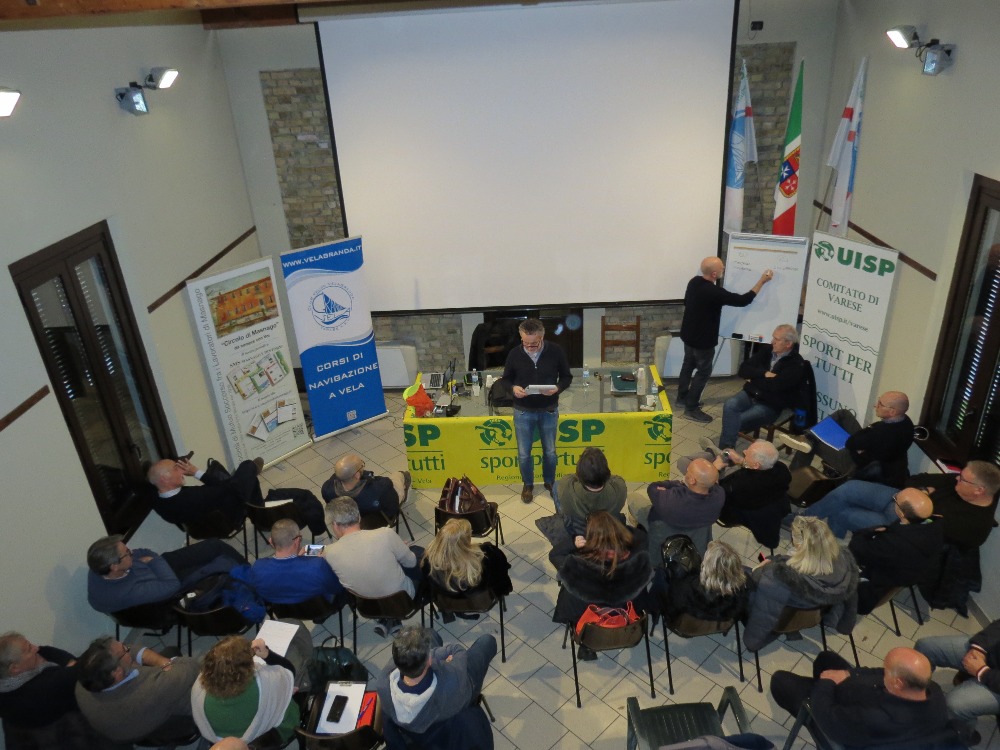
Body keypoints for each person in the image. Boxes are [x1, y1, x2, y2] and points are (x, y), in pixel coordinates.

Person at [770, 647, 955, 749]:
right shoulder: (931, 689)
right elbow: (878, 673)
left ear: (898, 683)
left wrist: (826, 683)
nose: (883, 670)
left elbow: (828, 717)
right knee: (825, 658)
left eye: (887, 670)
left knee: (781, 682)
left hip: (843, 721)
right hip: (860, 698)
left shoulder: (878, 718)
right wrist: (848, 673)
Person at [677, 256, 773, 423]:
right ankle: (691, 408)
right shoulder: (714, 292)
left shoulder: (694, 282)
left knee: (687, 366)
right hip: (703, 341)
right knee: (703, 373)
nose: (724, 269)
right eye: (722, 268)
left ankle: (682, 398)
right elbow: (743, 300)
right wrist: (762, 281)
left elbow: (687, 302)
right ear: (714, 274)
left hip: (688, 335)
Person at [743, 516, 859, 652]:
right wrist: (845, 623)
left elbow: (764, 615)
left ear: (800, 544)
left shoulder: (777, 578)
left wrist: (752, 643)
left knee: (741, 573)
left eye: (793, 537)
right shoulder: (844, 559)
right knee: (770, 561)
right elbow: (851, 596)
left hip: (782, 614)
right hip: (810, 611)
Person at [373, 626, 497, 747]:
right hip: (460, 692)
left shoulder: (383, 685)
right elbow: (457, 651)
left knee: (430, 633)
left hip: (421, 736)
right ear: (429, 660)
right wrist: (443, 662)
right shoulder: (452, 683)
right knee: (487, 641)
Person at [553, 511, 653, 660]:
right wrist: (617, 532)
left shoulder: (578, 568)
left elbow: (555, 555)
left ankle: (587, 647)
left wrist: (573, 542)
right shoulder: (638, 564)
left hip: (591, 630)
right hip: (629, 627)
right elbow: (642, 537)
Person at [324, 496, 424, 636]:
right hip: (403, 601)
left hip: (367, 606)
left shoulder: (329, 553)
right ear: (359, 517)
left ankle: (386, 619)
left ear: (335, 525)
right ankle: (393, 618)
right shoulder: (385, 534)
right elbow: (411, 563)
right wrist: (397, 550)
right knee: (417, 552)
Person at [500, 318, 573, 505]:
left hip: (548, 410)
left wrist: (557, 388)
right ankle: (528, 484)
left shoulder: (556, 351)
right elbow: (505, 380)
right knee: (524, 454)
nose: (529, 347)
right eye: (525, 343)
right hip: (523, 411)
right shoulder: (514, 354)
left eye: (534, 344)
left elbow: (567, 377)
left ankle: (549, 481)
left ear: (542, 337)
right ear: (521, 337)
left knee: (550, 452)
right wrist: (513, 388)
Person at [75, 636, 200, 744]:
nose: (128, 648)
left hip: (127, 727)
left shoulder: (82, 683)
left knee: (170, 654)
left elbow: (124, 651)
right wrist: (167, 664)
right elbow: (191, 667)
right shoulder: (149, 689)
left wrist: (162, 662)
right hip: (159, 724)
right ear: (117, 673)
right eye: (125, 650)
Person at [86, 534, 246, 614]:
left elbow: (144, 551)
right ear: (114, 567)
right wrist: (153, 561)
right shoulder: (125, 593)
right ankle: (250, 578)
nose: (131, 552)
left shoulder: (100, 562)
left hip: (161, 567)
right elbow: (171, 586)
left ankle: (247, 570)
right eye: (126, 553)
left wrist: (152, 560)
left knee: (214, 546)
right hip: (170, 585)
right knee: (218, 564)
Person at [190, 634, 299, 746]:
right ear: (246, 669)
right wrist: (267, 654)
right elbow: (289, 673)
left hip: (222, 743)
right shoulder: (265, 681)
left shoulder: (198, 688)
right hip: (264, 738)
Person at [788, 391, 914, 486]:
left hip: (856, 465)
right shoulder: (906, 422)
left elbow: (851, 443)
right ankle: (807, 436)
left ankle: (792, 478)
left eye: (880, 404)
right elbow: (862, 438)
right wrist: (863, 439)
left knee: (812, 443)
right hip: (867, 453)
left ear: (892, 412)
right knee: (844, 414)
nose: (875, 405)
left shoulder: (883, 433)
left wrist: (859, 443)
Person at [847, 494, 944, 614]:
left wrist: (867, 532)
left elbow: (855, 548)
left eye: (895, 500)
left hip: (872, 585)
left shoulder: (894, 543)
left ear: (902, 513)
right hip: (901, 575)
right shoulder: (935, 525)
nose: (894, 500)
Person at [687, 439, 791, 547]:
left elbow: (714, 493)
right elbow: (756, 473)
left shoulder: (739, 484)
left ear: (756, 465)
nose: (744, 451)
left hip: (730, 513)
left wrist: (715, 469)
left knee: (687, 465)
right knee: (722, 460)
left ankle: (712, 456)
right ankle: (716, 455)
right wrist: (741, 461)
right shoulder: (782, 470)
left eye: (748, 453)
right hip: (769, 507)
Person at [718, 324, 806, 449]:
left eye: (777, 339)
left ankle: (724, 452)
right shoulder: (767, 350)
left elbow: (774, 386)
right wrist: (764, 373)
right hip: (750, 393)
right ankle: (726, 451)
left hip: (770, 405)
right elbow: (743, 370)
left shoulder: (795, 364)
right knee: (729, 405)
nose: (772, 341)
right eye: (773, 337)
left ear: (788, 344)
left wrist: (752, 378)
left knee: (735, 420)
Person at [916, 618, 1000, 745]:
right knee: (925, 647)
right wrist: (979, 648)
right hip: (993, 652)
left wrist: (982, 671)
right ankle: (915, 701)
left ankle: (964, 735)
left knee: (955, 705)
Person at [634, 458, 723, 558]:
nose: (685, 473)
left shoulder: (670, 499)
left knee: (634, 500)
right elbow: (714, 484)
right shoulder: (719, 496)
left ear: (692, 480)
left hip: (662, 538)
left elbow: (652, 487)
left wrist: (675, 484)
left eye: (688, 471)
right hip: (696, 543)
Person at [147, 453, 263, 527]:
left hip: (202, 525)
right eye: (176, 469)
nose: (182, 471)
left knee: (248, 479)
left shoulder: (158, 500)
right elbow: (227, 489)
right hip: (227, 519)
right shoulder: (192, 497)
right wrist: (196, 472)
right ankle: (262, 518)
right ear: (164, 478)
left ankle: (261, 513)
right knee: (247, 467)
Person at [249, 518, 344, 605]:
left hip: (282, 612)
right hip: (321, 608)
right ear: (297, 541)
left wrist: (305, 553)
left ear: (271, 542)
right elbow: (337, 588)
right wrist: (318, 553)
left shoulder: (257, 568)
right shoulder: (318, 566)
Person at [421, 518, 513, 605]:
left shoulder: (427, 561)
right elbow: (500, 575)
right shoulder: (486, 557)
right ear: (463, 542)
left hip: (446, 603)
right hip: (476, 603)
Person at [0, 632, 78, 730]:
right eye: (29, 649)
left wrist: (71, 663)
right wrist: (71, 664)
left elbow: (45, 650)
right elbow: (79, 671)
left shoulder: (5, 683)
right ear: (15, 668)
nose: (36, 648)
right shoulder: (37, 689)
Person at [661, 540, 749, 624]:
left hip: (688, 626)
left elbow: (673, 606)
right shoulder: (741, 591)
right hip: (720, 623)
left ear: (709, 567)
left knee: (661, 574)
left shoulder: (686, 587)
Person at [557, 447, 627, 538]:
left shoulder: (567, 487)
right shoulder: (620, 487)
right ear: (606, 470)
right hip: (608, 526)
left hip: (578, 528)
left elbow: (570, 477)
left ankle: (561, 516)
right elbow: (615, 478)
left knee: (555, 486)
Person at [321, 453, 411, 520]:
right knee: (398, 476)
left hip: (351, 520)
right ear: (357, 475)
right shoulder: (380, 487)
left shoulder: (326, 489)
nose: (363, 468)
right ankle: (405, 480)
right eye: (362, 466)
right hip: (378, 522)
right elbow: (392, 508)